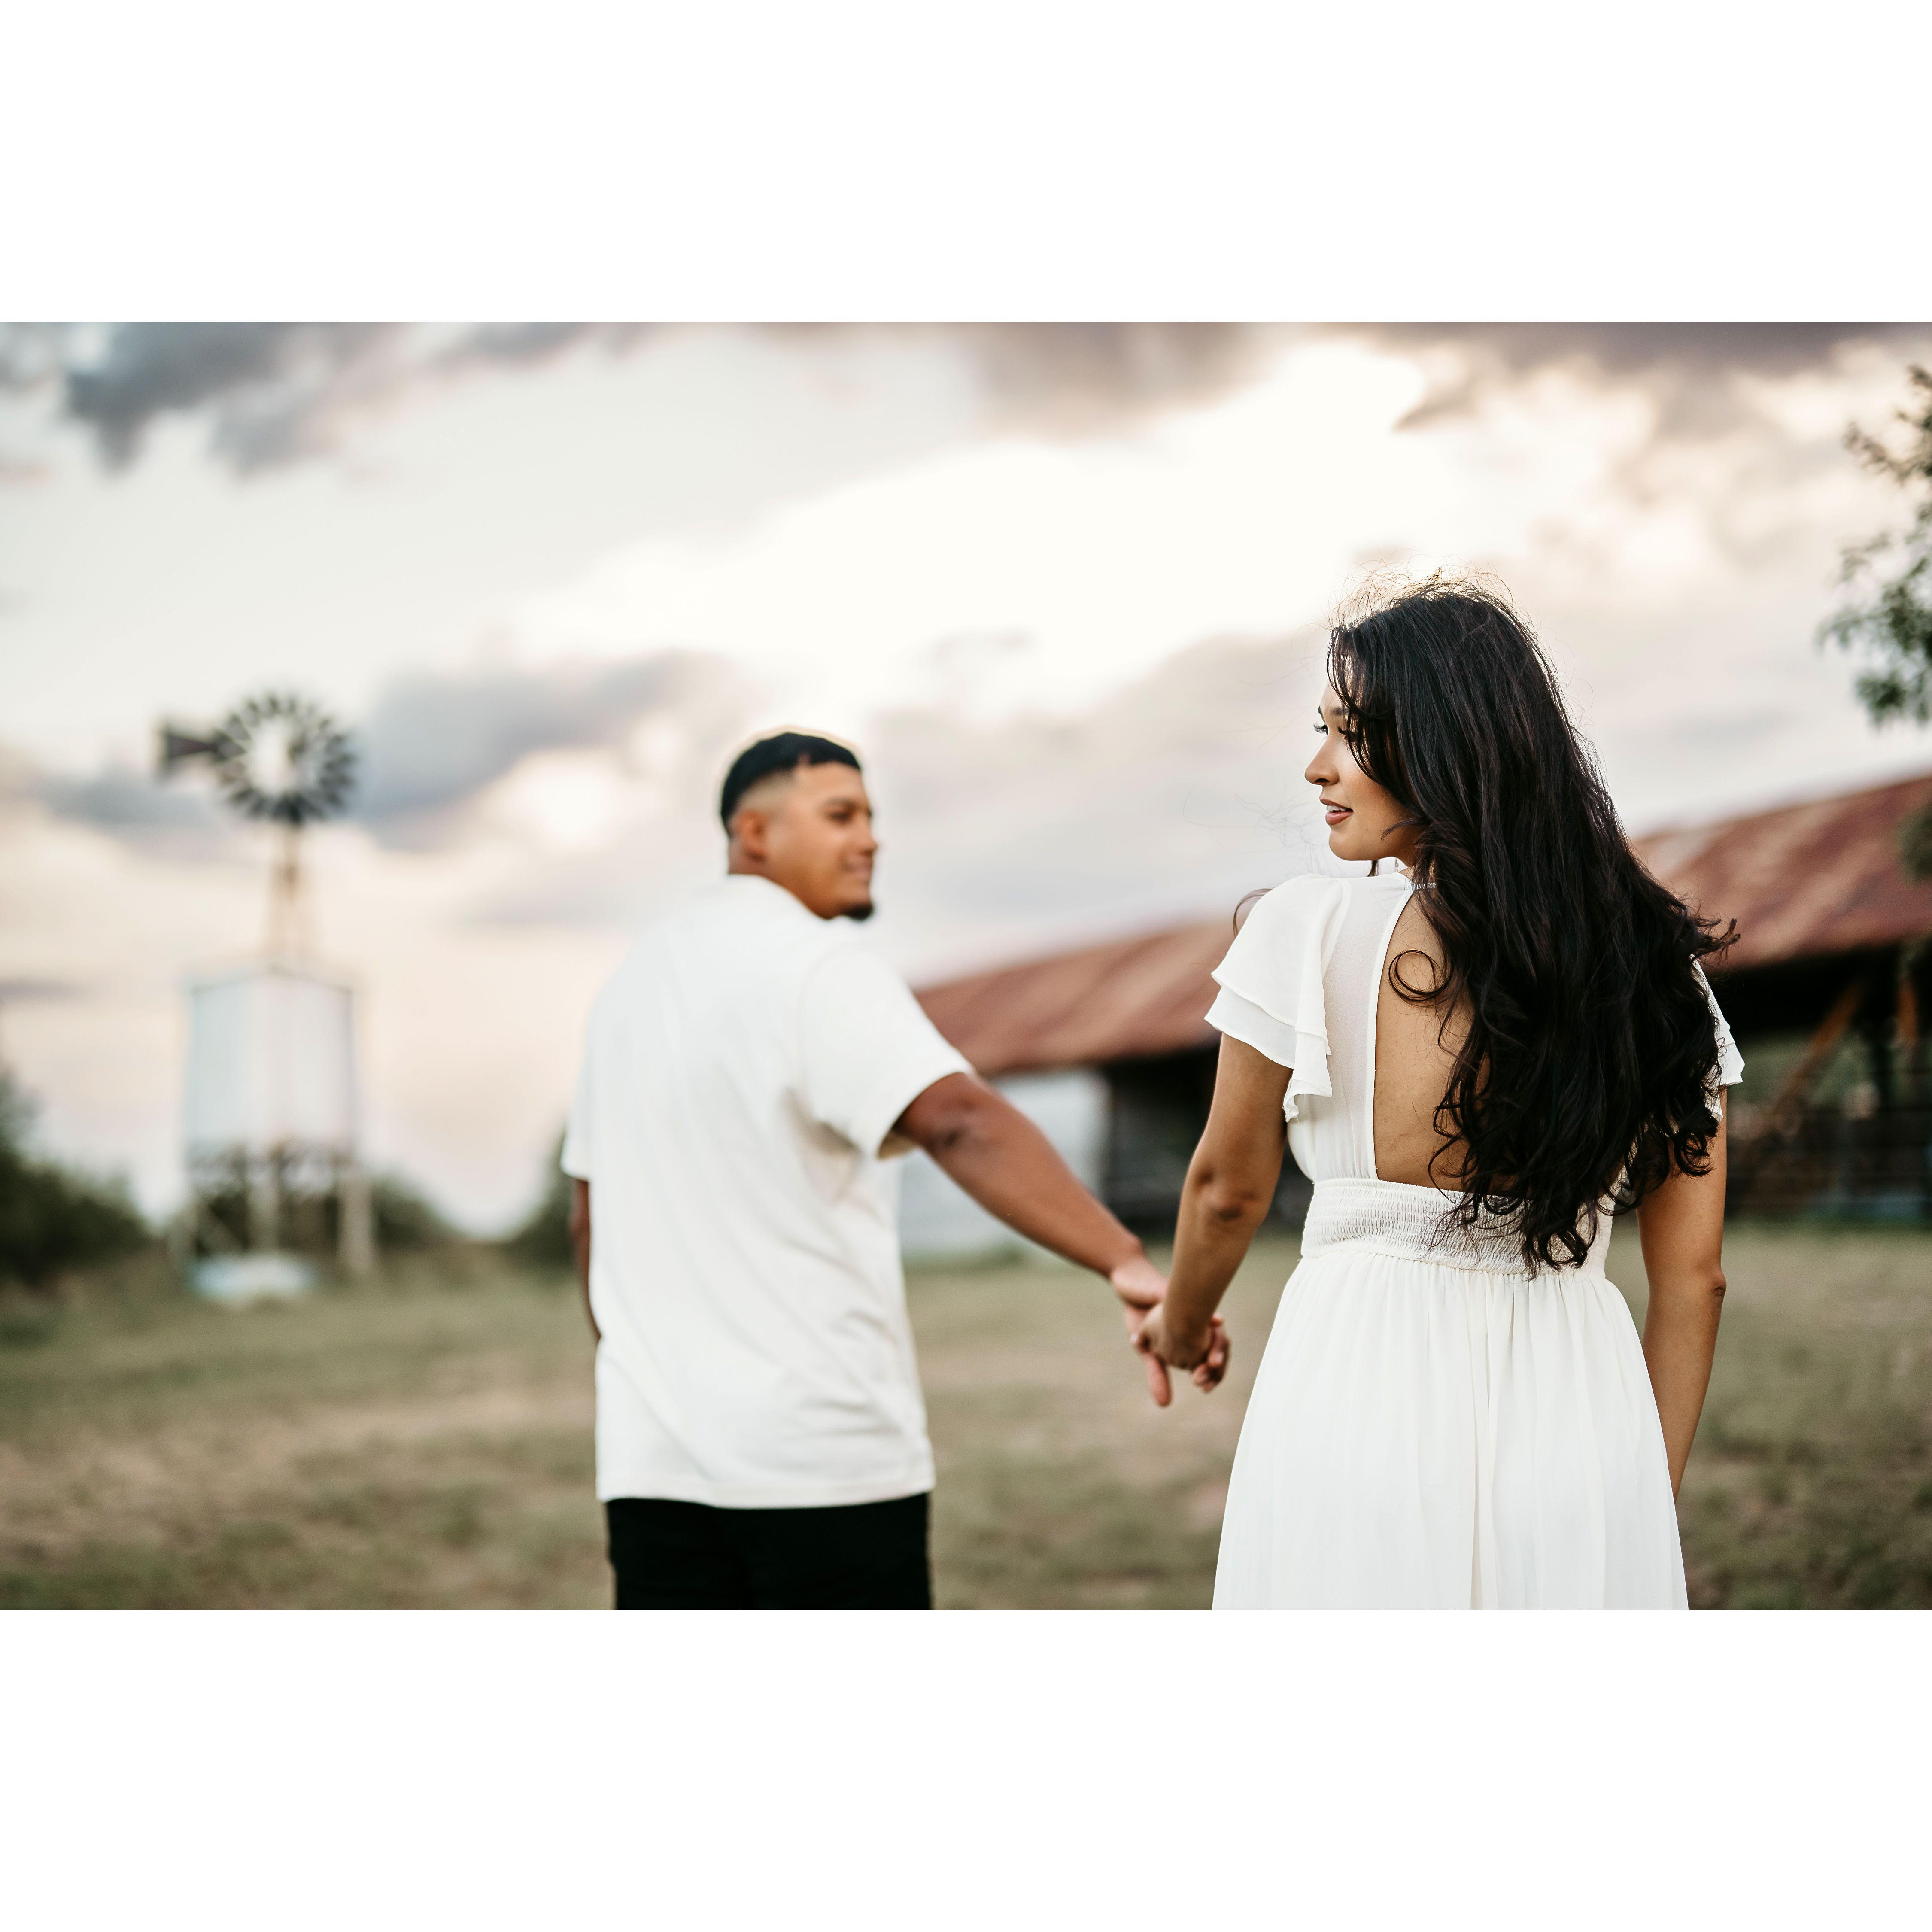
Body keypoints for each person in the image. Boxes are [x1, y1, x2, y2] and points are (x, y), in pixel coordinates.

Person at [1131, 577, 1740, 1609]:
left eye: (1352, 733)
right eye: (1322, 730)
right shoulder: (1655, 975)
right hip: (1583, 1428)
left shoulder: (1307, 932)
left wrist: (1181, 1328)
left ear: (1446, 745)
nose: (1318, 766)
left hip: (1358, 1406)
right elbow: (1695, 1282)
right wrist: (1636, 1498)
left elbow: (1226, 1193)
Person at [562, 729, 1223, 1610]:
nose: (870, 839)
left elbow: (589, 1219)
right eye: (840, 816)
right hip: (820, 1465)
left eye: (871, 817)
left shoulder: (627, 991)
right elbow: (957, 1118)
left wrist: (645, 1372)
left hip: (651, 1468)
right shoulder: (813, 964)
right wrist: (1123, 1258)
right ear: (753, 834)